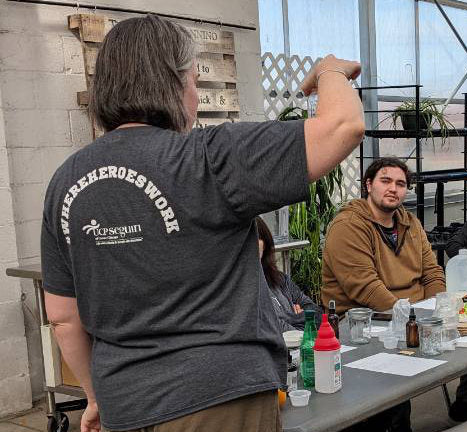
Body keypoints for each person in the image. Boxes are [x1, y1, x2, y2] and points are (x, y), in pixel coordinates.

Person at [41, 15, 364, 432]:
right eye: (193, 81)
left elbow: (64, 317)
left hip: (125, 405)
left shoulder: (65, 182)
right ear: (174, 83)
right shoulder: (210, 157)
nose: (195, 96)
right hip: (220, 400)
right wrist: (331, 71)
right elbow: (344, 126)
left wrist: (96, 394)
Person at [322, 157, 467, 427]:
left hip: (415, 316)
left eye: (401, 184)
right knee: (390, 394)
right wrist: (416, 319)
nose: (393, 189)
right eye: (385, 181)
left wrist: (439, 308)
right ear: (368, 185)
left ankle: (466, 406)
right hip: (364, 322)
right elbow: (366, 287)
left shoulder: (409, 222)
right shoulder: (348, 226)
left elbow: (432, 272)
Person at [256, 217, 320, 332]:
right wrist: (296, 318)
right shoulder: (241, 290)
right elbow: (273, 328)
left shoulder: (280, 279)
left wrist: (287, 320)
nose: (252, 245)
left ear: (265, 243)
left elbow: (316, 313)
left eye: (257, 238)